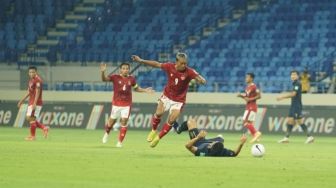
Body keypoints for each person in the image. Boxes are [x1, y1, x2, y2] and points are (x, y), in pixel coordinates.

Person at [131, 53, 206, 148]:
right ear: (177, 62)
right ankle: (154, 130)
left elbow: (200, 78)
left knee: (171, 120)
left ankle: (158, 138)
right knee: (158, 113)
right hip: (167, 96)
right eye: (182, 63)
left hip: (179, 100)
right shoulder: (169, 66)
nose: (184, 65)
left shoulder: (189, 71)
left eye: (185, 63)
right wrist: (141, 60)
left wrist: (201, 80)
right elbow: (156, 64)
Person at [100, 63, 154, 147]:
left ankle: (119, 142)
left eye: (127, 68)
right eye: (124, 68)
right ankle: (106, 134)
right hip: (116, 104)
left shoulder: (131, 79)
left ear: (129, 70)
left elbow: (136, 88)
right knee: (111, 122)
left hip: (126, 104)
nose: (125, 70)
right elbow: (104, 79)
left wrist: (145, 90)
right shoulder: (115, 77)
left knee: (124, 121)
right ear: (120, 70)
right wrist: (103, 72)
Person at [277, 70, 314, 144]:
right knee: (290, 121)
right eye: (291, 75)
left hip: (297, 106)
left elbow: (293, 94)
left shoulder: (297, 83)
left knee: (299, 121)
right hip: (293, 105)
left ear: (297, 76)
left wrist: (282, 97)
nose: (293, 76)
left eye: (294, 74)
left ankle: (310, 137)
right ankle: (286, 138)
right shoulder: (294, 83)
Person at [174, 119, 247, 157]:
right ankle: (219, 139)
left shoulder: (202, 152)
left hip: (198, 141)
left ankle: (178, 129)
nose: (212, 143)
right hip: (209, 142)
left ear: (210, 146)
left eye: (212, 143)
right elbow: (235, 153)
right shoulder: (223, 152)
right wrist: (241, 144)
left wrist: (198, 137)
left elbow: (188, 146)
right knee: (220, 138)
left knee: (191, 122)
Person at [17, 66, 49, 141]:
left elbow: (38, 92)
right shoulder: (31, 80)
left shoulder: (38, 80)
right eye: (30, 72)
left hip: (36, 102)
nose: (31, 73)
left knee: (31, 119)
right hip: (31, 101)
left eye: (33, 72)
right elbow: (29, 92)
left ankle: (33, 136)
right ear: (28, 73)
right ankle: (44, 128)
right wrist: (21, 100)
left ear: (36, 72)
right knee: (29, 118)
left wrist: (35, 103)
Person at [237, 73, 262, 143]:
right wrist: (241, 96)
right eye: (246, 77)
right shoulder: (247, 87)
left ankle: (256, 133)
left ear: (251, 78)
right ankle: (256, 138)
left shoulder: (254, 86)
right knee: (250, 123)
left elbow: (259, 96)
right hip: (249, 106)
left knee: (245, 121)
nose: (246, 78)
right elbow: (247, 97)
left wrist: (250, 99)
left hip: (251, 106)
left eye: (247, 77)